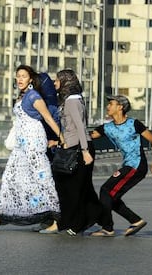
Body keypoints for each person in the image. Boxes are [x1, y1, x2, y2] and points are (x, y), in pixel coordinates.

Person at [0, 65, 63, 232]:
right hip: (21, 144)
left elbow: (48, 118)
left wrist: (61, 138)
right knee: (10, 178)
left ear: (30, 79)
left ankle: (55, 220)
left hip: (33, 142)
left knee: (41, 179)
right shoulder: (22, 96)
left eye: (23, 76)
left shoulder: (34, 96)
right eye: (18, 76)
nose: (20, 79)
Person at [90, 95, 152, 237]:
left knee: (105, 190)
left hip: (136, 165)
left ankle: (107, 228)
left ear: (120, 107)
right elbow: (88, 136)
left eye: (111, 104)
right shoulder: (107, 127)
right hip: (128, 165)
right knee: (111, 196)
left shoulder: (134, 124)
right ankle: (135, 220)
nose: (108, 107)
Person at [51, 69, 102, 236]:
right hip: (71, 146)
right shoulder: (69, 99)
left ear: (66, 81)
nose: (55, 83)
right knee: (72, 187)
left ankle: (78, 222)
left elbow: (80, 126)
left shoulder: (73, 100)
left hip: (79, 148)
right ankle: (86, 218)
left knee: (73, 188)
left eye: (57, 80)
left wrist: (85, 150)